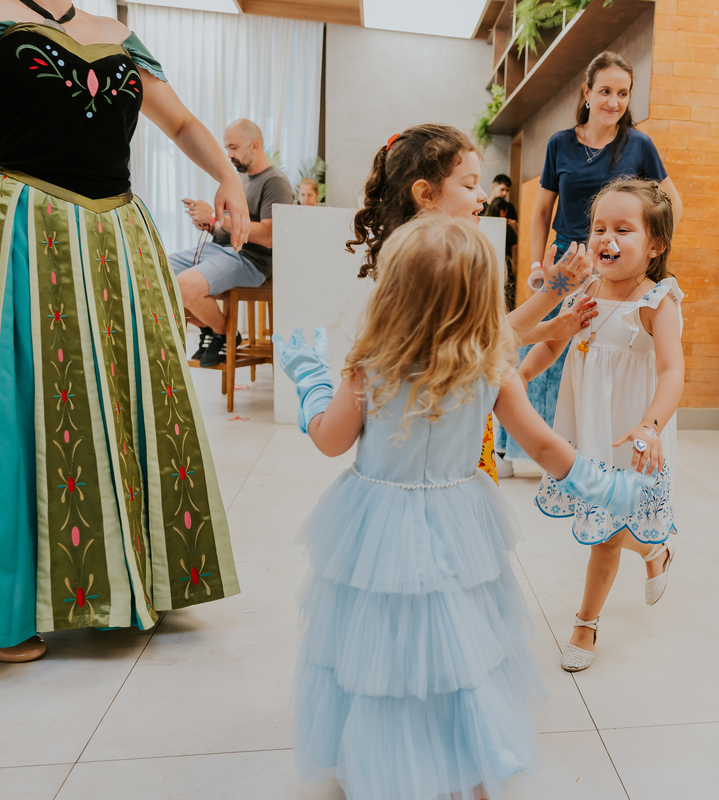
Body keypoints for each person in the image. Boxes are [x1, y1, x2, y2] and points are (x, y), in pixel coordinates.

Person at [273, 215, 652, 799]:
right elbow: (547, 447)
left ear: (392, 291)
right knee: (460, 639)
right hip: (459, 522)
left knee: (378, 641)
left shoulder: (371, 368)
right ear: (480, 299)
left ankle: (382, 760)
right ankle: (468, 762)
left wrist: (310, 384)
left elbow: (328, 439)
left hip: (374, 527)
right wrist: (606, 486)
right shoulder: (491, 367)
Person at [0, 0, 248, 662]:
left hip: (117, 235)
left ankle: (129, 584)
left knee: (135, 402)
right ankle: (7, 609)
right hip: (20, 226)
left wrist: (226, 175)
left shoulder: (119, 35)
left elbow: (184, 121)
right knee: (17, 411)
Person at [344, 123, 597, 481]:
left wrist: (550, 327)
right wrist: (554, 291)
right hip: (436, 449)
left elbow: (476, 339)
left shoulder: (448, 255)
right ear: (425, 194)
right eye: (468, 184)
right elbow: (478, 339)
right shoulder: (424, 268)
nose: (482, 195)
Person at [494, 51, 683, 476]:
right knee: (555, 344)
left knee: (596, 354)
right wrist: (539, 266)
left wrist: (652, 254)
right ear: (587, 92)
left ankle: (578, 445)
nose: (613, 101)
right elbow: (542, 211)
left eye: (623, 93)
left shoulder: (639, 144)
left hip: (623, 266)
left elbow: (672, 203)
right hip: (570, 263)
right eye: (605, 91)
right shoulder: (560, 143)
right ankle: (514, 446)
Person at [522, 179, 684, 673]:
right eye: (598, 228)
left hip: (633, 433)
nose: (606, 238)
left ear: (655, 244)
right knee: (606, 518)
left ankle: (585, 623)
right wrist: (517, 376)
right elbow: (555, 341)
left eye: (623, 229)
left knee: (607, 534)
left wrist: (650, 426)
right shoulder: (585, 287)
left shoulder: (658, 301)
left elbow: (672, 371)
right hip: (590, 426)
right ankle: (654, 548)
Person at [169, 118, 293, 367]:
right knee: (154, 275)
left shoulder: (274, 182)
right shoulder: (243, 180)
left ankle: (225, 333)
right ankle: (214, 329)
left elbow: (270, 237)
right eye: (226, 148)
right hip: (218, 250)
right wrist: (211, 225)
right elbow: (230, 225)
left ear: (255, 145)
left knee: (183, 286)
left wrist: (216, 217)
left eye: (233, 148)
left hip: (248, 259)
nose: (228, 155)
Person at [482, 173, 518, 310]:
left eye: (507, 191)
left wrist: (514, 225)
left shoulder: (510, 208)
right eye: (502, 189)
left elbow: (516, 235)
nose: (504, 194)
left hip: (504, 256)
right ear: (493, 186)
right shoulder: (481, 206)